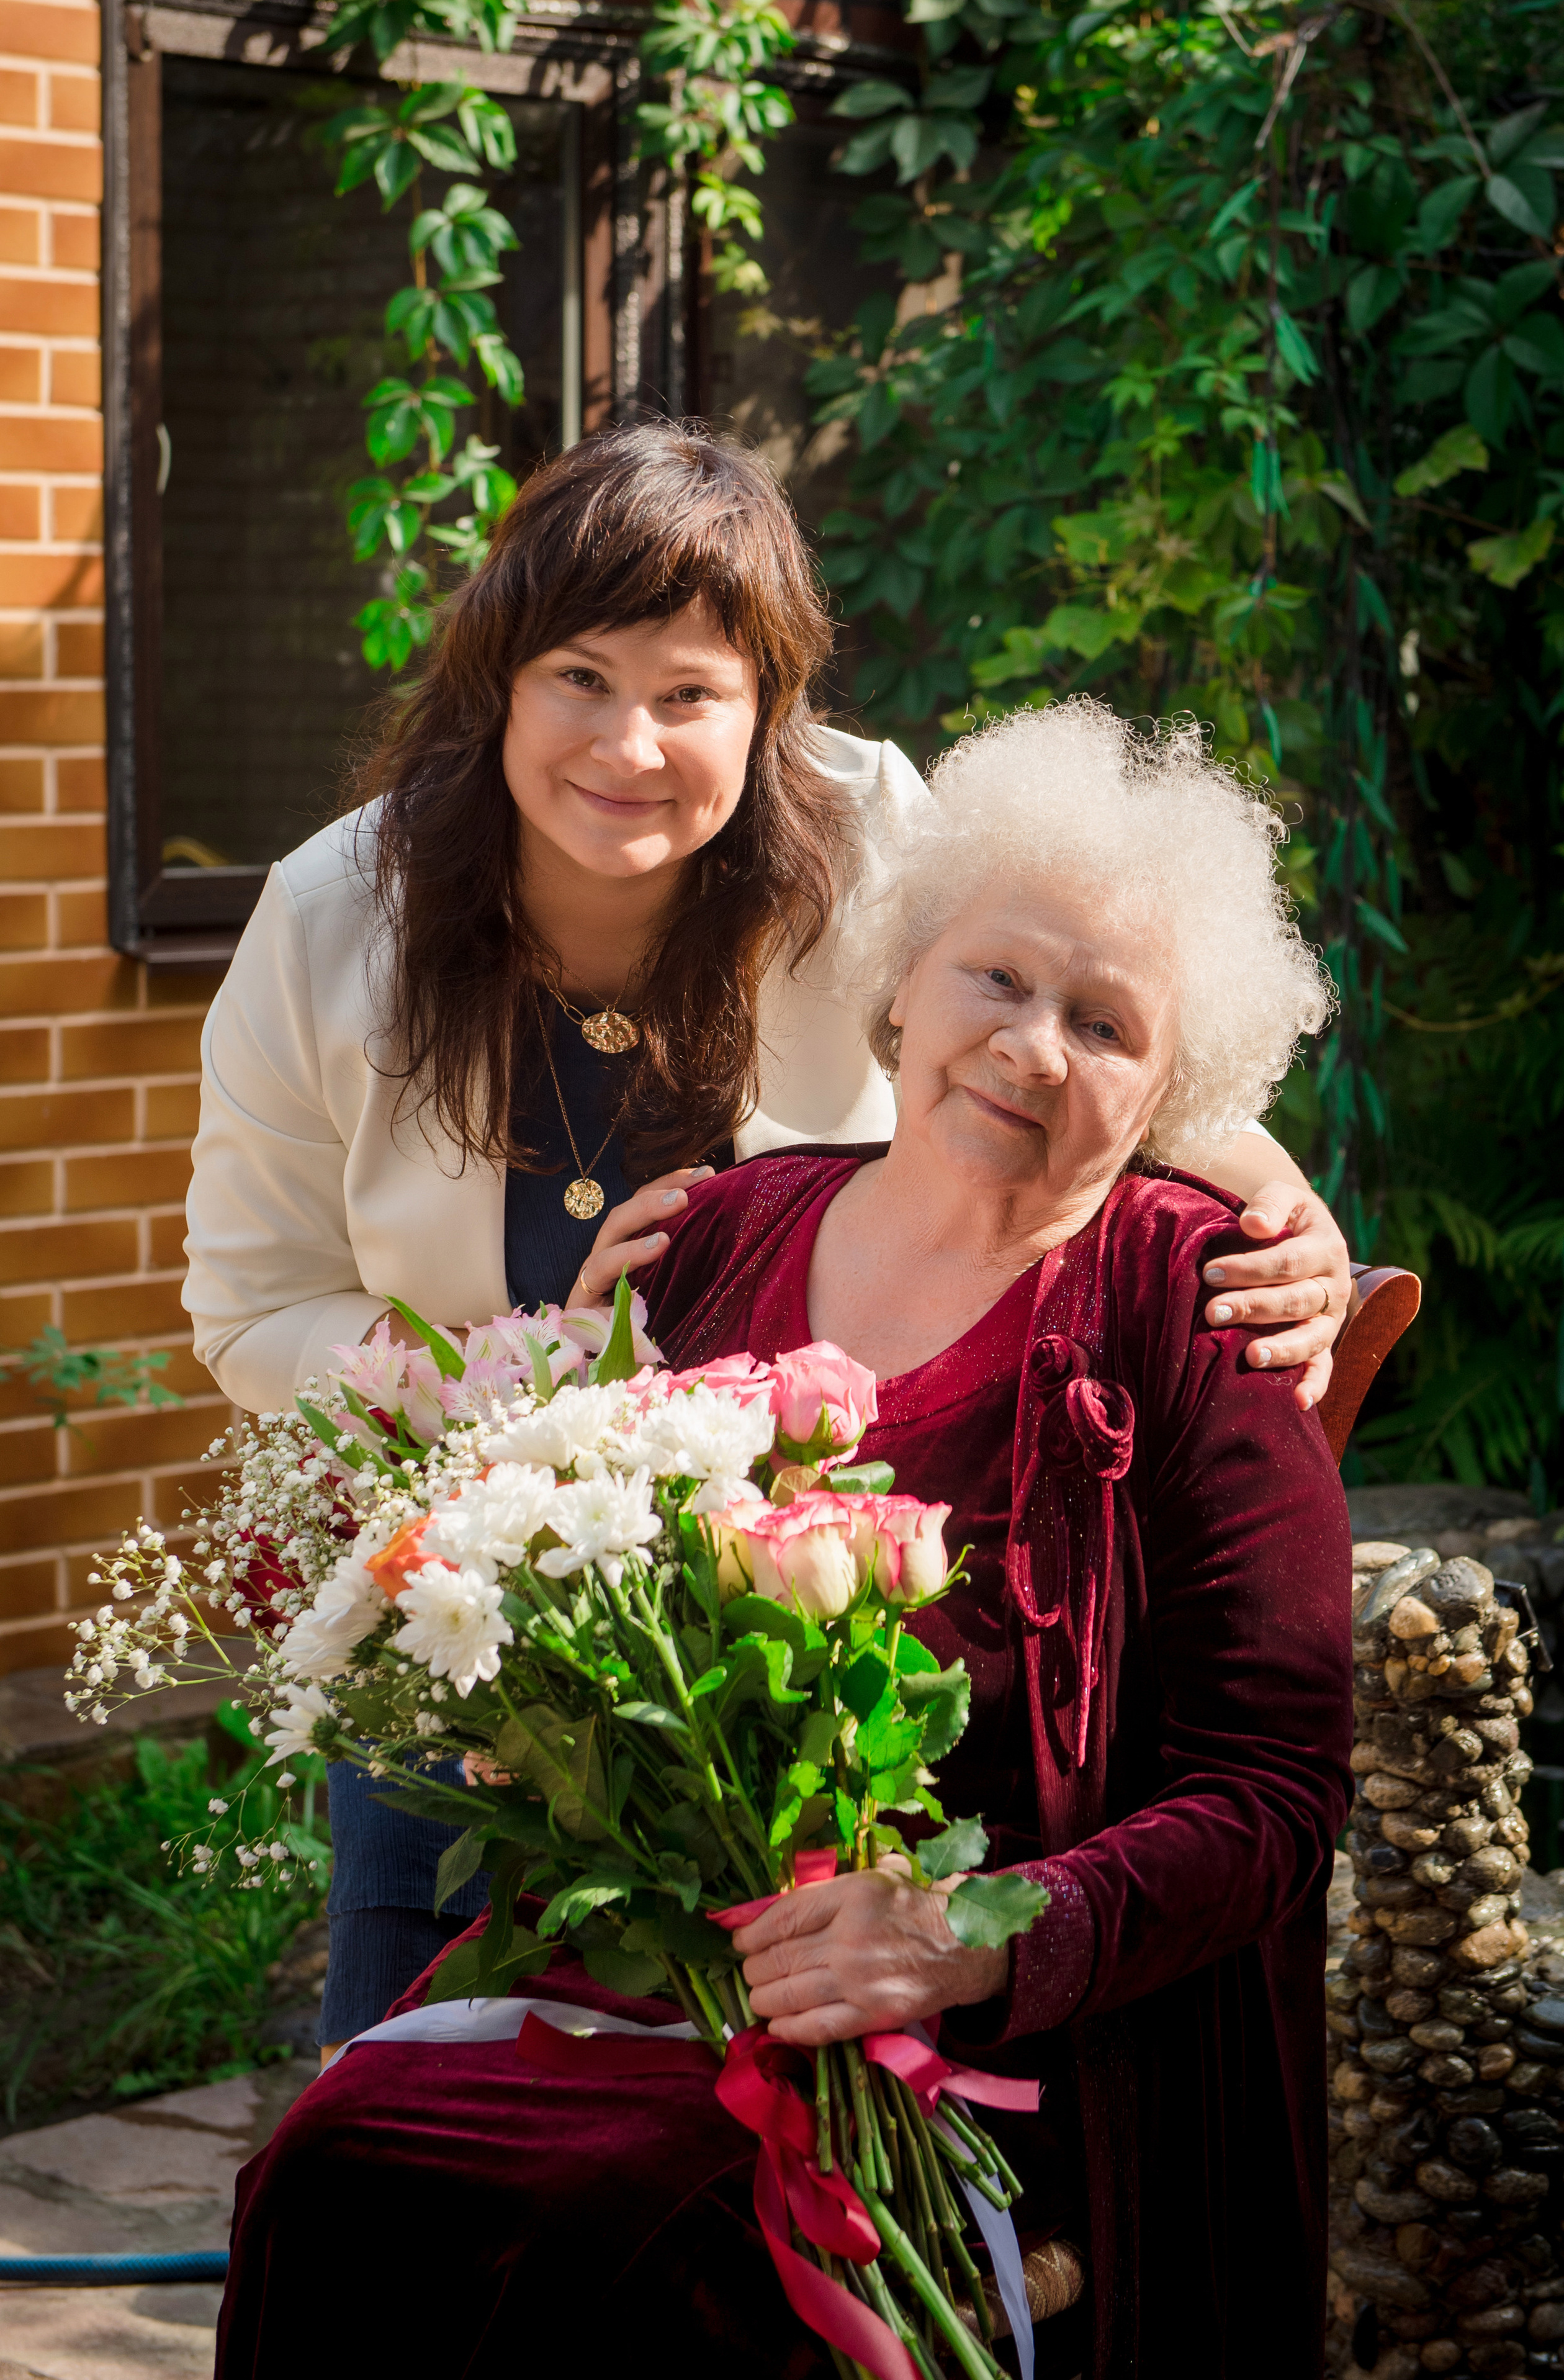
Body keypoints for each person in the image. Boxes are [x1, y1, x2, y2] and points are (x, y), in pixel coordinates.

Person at [214, 698, 1353, 2380]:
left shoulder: (1196, 1308)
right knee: (334, 2172)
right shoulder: (713, 1234)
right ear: (901, 986)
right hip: (656, 1976)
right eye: (996, 977)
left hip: (1004, 2049)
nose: (1035, 1047)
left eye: (1107, 1024)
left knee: (615, 2251)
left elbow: (1275, 1791)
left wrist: (972, 1933)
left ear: (1173, 1088)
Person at [183, 422, 1352, 2053]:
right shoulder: (330, 919)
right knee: (408, 2069)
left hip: (798, 1631)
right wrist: (520, 1395)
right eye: (580, 677)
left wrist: (1280, 1198)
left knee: (750, 2093)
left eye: (691, 693)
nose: (630, 744)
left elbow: (1063, 1007)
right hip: (486, 1608)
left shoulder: (867, 829)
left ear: (768, 707)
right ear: (499, 679)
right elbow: (252, 1307)